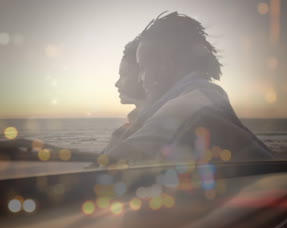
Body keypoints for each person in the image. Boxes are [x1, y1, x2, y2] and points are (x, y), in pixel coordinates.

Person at [104, 12, 274, 164]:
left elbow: (116, 164)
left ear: (166, 64)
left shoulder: (194, 102)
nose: (140, 79)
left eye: (143, 68)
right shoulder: (202, 96)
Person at [101, 37, 146, 155]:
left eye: (124, 75)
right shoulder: (132, 124)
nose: (116, 84)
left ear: (142, 74)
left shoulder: (147, 126)